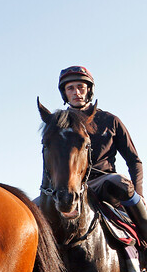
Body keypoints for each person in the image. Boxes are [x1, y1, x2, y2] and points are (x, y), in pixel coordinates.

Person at [59, 65, 146, 238]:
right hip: (68, 187)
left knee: (121, 182)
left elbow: (134, 161)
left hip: (104, 183)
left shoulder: (110, 120)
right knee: (31, 209)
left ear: (89, 90)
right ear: (65, 93)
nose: (76, 92)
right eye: (71, 88)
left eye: (81, 87)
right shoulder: (58, 125)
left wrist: (139, 193)